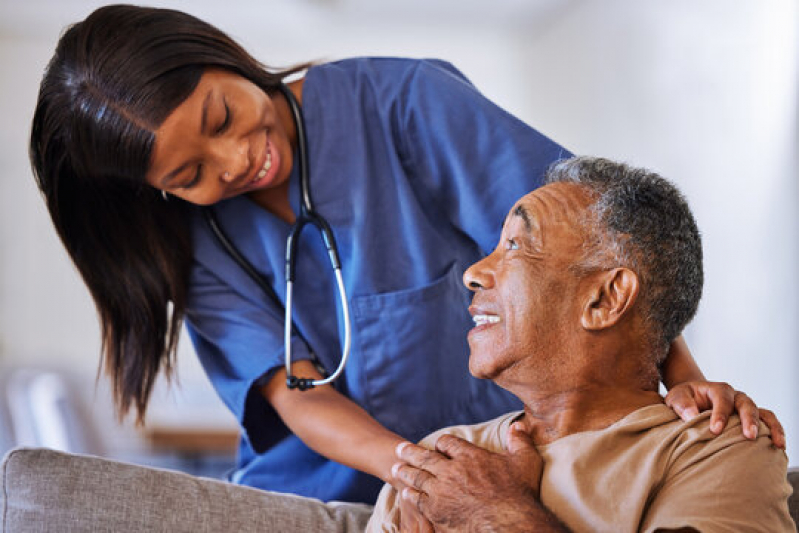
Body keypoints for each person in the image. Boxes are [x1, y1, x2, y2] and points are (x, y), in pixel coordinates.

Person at [29, 4, 783, 504]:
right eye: (187, 175)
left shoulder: (399, 102)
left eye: (223, 116)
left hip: (514, 468)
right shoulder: (200, 241)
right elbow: (296, 391)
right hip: (327, 495)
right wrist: (418, 472)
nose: (233, 162)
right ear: (155, 192)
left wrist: (685, 386)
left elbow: (592, 249)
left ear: (217, 55)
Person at [371, 157, 794, 532]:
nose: (474, 273)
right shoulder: (436, 463)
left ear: (605, 299)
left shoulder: (717, 449)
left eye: (515, 246)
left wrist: (493, 513)